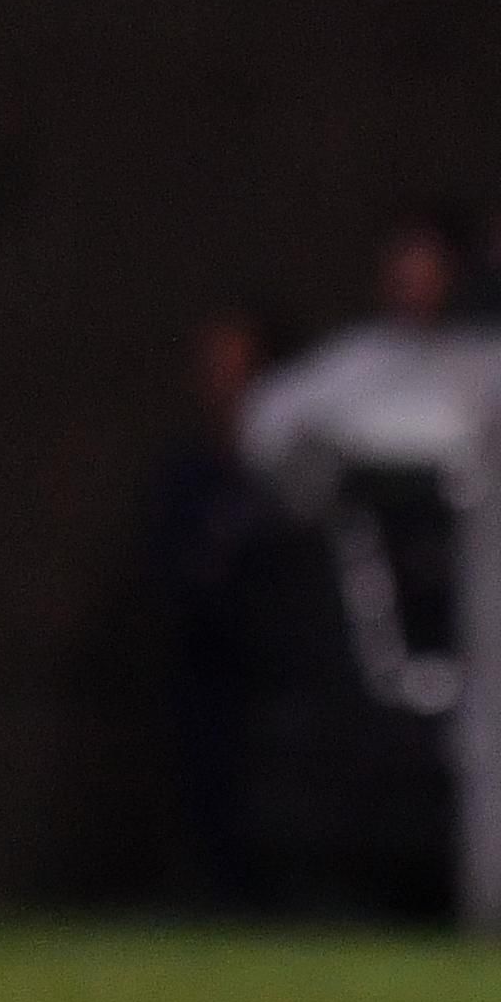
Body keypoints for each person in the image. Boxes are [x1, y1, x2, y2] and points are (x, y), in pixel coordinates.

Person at [146, 306, 280, 907]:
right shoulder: (187, 476)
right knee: (211, 805)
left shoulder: (284, 476)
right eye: (211, 367)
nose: (222, 382)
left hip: (280, 678)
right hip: (210, 672)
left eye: (236, 367)